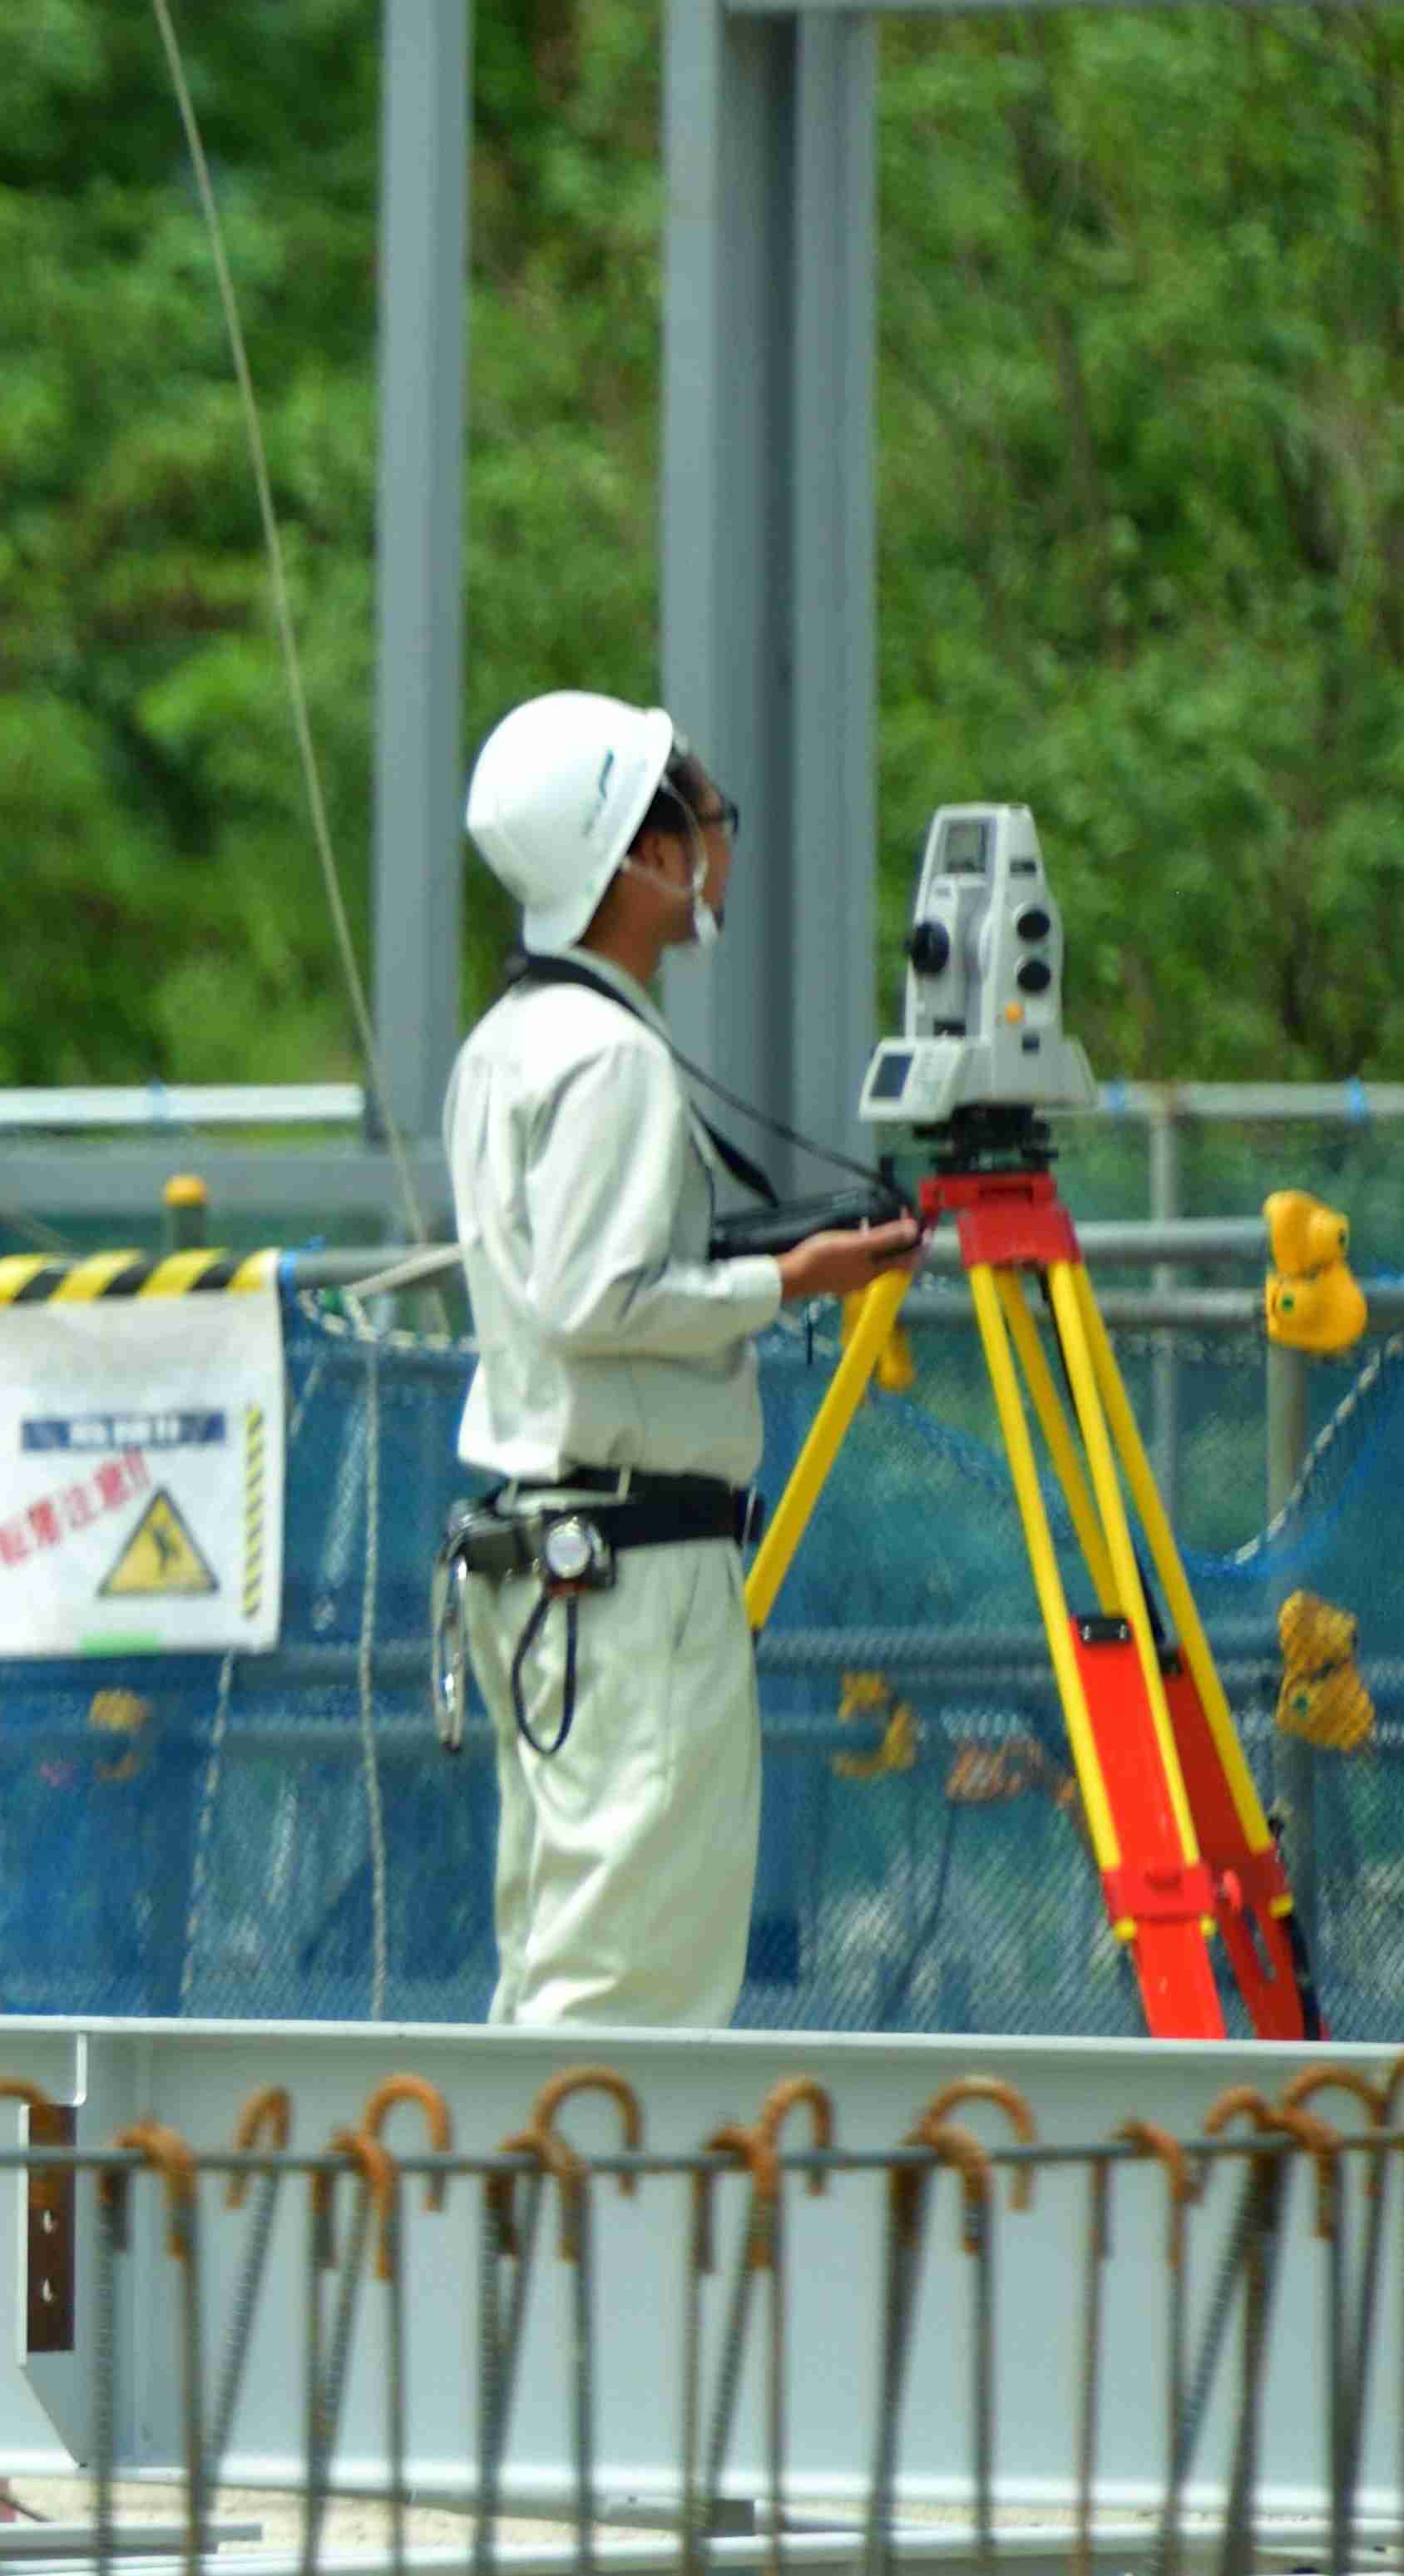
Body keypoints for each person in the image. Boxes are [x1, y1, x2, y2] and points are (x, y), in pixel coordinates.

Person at [447, 692, 922, 2027]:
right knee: (632, 1972)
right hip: (630, 1570)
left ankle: (508, 2227)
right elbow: (596, 1296)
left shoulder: (511, 1044)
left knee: (563, 1946)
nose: (714, 831)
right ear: (641, 855)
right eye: (690, 806)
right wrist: (793, 1276)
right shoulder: (606, 1058)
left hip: (560, 1555)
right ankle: (574, 2227)